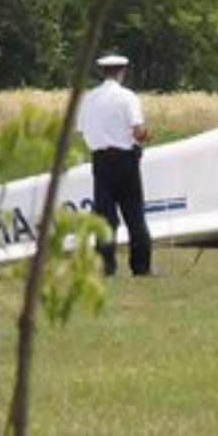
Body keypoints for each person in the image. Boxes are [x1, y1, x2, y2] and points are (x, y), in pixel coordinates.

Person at [76, 54, 152, 277]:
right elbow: (138, 130)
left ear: (102, 72)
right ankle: (141, 267)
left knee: (105, 216)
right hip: (125, 160)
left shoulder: (89, 98)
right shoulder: (127, 97)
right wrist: (144, 137)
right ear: (123, 71)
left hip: (100, 160)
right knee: (134, 215)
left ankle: (106, 267)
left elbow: (81, 130)